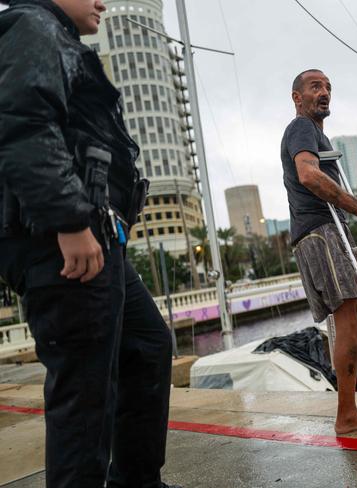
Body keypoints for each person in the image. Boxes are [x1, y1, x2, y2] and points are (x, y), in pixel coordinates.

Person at [0, 1, 179, 486]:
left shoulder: (52, 35)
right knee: (85, 394)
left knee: (146, 347)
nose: (101, 0)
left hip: (99, 237)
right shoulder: (31, 25)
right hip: (61, 242)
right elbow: (23, 125)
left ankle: (138, 481)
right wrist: (70, 220)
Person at [281, 69, 357, 434]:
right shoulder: (301, 129)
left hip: (328, 232)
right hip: (321, 232)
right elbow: (309, 176)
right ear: (297, 97)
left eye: (328, 86)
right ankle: (347, 415)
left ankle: (356, 385)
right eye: (315, 87)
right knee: (347, 321)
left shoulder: (317, 134)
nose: (324, 92)